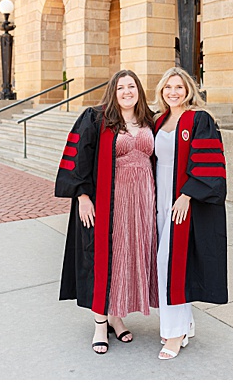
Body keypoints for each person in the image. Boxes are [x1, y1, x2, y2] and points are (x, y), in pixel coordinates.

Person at [55, 69, 158, 354]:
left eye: (132, 86)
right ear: (113, 91)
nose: (127, 91)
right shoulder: (96, 119)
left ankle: (116, 315)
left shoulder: (150, 120)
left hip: (142, 202)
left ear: (139, 90)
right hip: (109, 201)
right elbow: (79, 160)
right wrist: (82, 196)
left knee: (126, 257)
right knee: (103, 259)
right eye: (121, 87)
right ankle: (101, 322)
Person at [151, 67, 228, 360]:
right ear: (162, 91)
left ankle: (174, 334)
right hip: (159, 201)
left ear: (188, 91)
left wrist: (187, 194)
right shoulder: (159, 120)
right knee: (173, 265)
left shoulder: (199, 119)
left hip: (182, 202)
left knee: (168, 265)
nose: (173, 92)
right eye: (168, 87)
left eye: (179, 87)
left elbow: (210, 162)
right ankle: (184, 323)